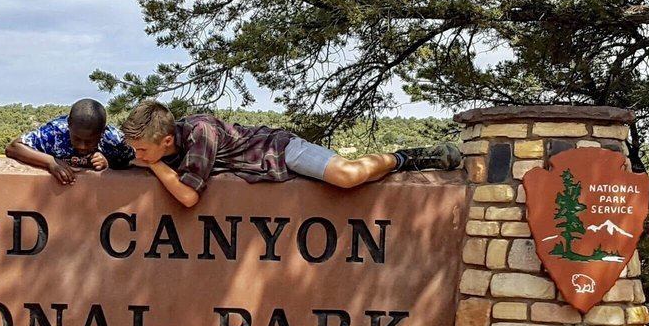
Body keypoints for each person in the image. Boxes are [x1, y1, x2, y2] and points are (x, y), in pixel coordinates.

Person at [119, 100, 462, 207]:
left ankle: (407, 157)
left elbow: (189, 197)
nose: (138, 154)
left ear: (165, 142)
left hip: (278, 152)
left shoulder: (200, 132)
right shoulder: (159, 146)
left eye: (143, 150)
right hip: (262, 173)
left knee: (350, 176)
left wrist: (154, 168)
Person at [5, 98, 135, 185]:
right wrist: (51, 162)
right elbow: (13, 147)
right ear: (69, 125)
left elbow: (137, 160)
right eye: (77, 138)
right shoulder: (55, 132)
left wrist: (109, 163)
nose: (82, 146)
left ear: (102, 132)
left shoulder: (114, 139)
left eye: (89, 141)